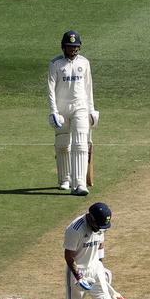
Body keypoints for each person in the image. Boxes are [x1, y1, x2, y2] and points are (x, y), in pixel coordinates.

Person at [46, 30, 99, 196]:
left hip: (80, 106)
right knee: (62, 145)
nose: (73, 49)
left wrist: (91, 110)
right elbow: (50, 89)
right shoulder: (55, 64)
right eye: (70, 46)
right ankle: (65, 179)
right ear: (63, 47)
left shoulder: (84, 62)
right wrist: (53, 111)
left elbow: (88, 88)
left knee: (80, 143)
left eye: (75, 47)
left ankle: (80, 184)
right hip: (62, 108)